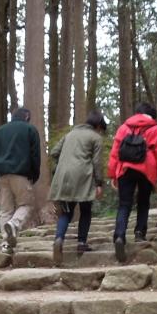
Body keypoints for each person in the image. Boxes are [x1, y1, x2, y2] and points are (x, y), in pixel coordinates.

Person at [107, 101, 157, 264]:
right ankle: (140, 233)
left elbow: (115, 152)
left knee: (124, 204)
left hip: (125, 167)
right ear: (151, 115)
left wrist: (112, 174)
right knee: (143, 202)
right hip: (147, 168)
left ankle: (119, 235)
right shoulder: (155, 129)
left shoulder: (124, 127)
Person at [48, 110, 108, 264]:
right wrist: (99, 183)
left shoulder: (70, 134)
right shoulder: (95, 137)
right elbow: (97, 162)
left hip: (64, 176)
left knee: (66, 213)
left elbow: (54, 152)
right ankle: (81, 243)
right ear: (98, 126)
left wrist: (62, 165)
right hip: (83, 176)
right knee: (86, 210)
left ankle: (59, 239)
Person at [0, 106, 41, 253]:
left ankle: (6, 245)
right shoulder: (30, 130)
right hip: (20, 173)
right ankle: (14, 224)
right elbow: (35, 155)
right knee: (27, 204)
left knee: (5, 210)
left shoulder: (0, 131)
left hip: (0, 174)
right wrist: (34, 175)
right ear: (27, 116)